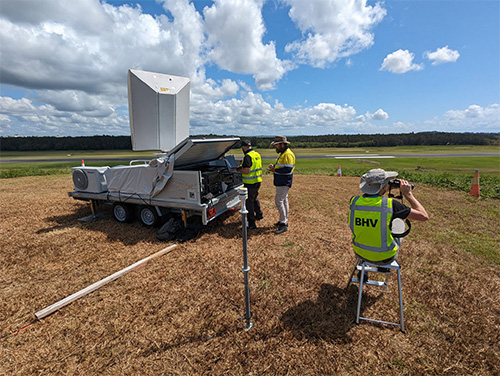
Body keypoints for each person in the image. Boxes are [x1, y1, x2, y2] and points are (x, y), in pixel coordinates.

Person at [349, 168, 429, 266]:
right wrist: (408, 194)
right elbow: (424, 216)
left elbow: (372, 198)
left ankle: (362, 268)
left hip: (359, 253)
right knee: (399, 224)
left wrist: (384, 187)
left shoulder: (354, 201)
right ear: (384, 187)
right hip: (385, 258)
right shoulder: (391, 205)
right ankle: (384, 266)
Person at [268, 135, 295, 234]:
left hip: (284, 181)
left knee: (279, 201)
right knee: (283, 200)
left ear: (282, 144)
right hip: (282, 181)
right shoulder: (284, 153)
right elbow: (282, 166)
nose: (275, 147)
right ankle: (283, 220)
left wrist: (274, 170)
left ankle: (283, 223)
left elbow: (287, 170)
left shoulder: (287, 154)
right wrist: (274, 167)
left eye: (276, 145)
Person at [236, 140, 263, 229]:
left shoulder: (247, 157)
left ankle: (251, 223)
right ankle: (259, 215)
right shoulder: (257, 154)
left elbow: (247, 171)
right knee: (254, 198)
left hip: (250, 183)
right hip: (257, 181)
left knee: (249, 202)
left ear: (244, 147)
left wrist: (238, 170)